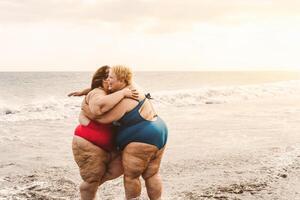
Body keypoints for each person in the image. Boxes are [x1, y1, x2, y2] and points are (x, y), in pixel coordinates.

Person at [82, 65, 168, 200]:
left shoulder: (128, 97)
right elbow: (110, 92)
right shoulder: (134, 88)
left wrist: (84, 108)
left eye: (111, 77)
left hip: (143, 137)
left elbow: (102, 118)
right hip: (158, 129)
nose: (107, 80)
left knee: (131, 177)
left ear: (122, 81)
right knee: (151, 174)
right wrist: (88, 91)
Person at [69, 65, 138, 200]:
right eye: (109, 77)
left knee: (121, 167)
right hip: (88, 142)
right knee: (92, 179)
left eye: (113, 77)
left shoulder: (107, 92)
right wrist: (123, 93)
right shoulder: (98, 92)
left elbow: (94, 91)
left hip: (104, 144)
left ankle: (90, 189)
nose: (111, 80)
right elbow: (97, 103)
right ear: (103, 80)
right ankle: (87, 191)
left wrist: (84, 91)